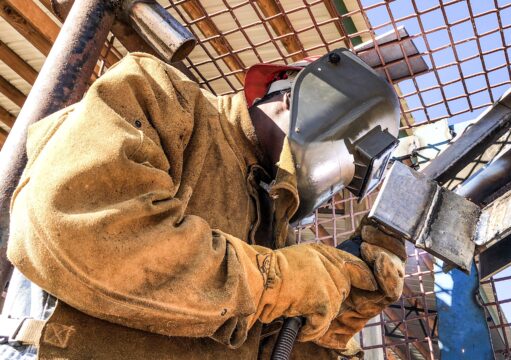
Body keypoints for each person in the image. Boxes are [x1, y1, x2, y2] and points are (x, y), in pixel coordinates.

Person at [0, 49, 406, 359]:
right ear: (297, 91)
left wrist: (324, 330)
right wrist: (275, 280)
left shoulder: (276, 227)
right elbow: (80, 224)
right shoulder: (162, 94)